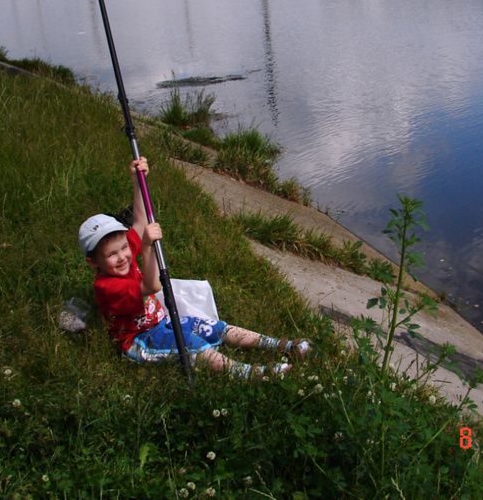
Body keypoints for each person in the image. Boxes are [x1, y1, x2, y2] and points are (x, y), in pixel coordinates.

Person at [80, 157, 311, 378]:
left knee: (214, 328)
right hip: (139, 339)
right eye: (111, 254)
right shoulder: (107, 286)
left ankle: (280, 345)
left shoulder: (121, 253)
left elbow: (140, 223)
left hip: (162, 321)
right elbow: (151, 285)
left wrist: (137, 181)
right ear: (93, 262)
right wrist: (148, 248)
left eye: (124, 248)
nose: (122, 257)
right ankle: (248, 372)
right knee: (194, 345)